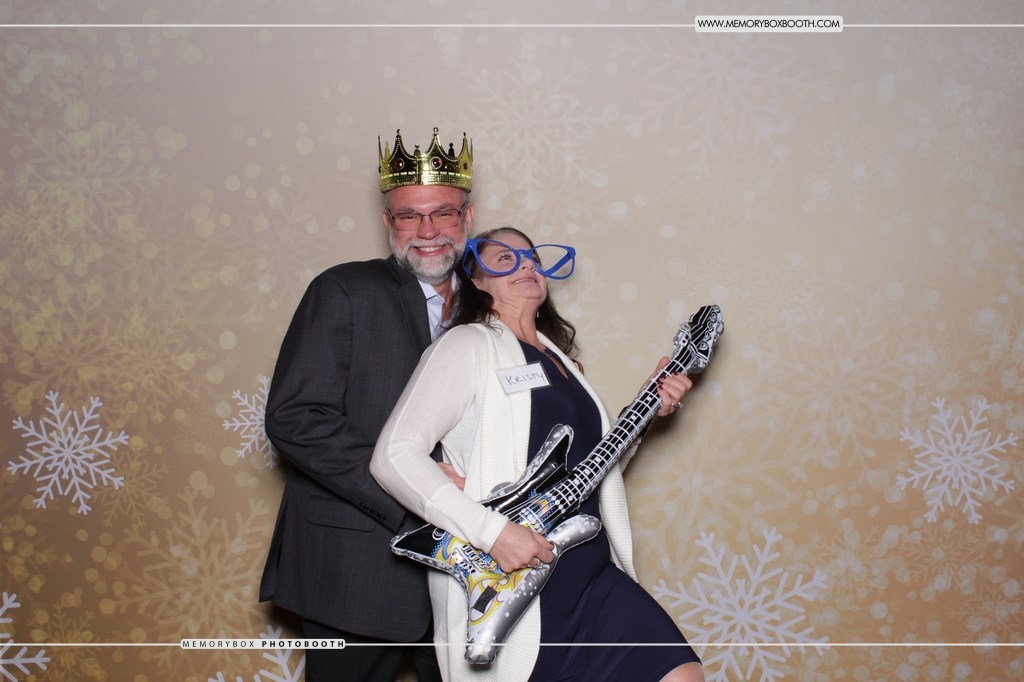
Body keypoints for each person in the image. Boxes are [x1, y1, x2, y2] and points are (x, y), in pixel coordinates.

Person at [370, 226, 705, 681]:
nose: (526, 265)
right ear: (475, 280)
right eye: (504, 259)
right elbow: (394, 455)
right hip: (517, 579)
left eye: (531, 258)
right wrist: (493, 533)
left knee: (682, 674)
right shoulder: (466, 345)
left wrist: (649, 410)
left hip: (591, 571)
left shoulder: (561, 361)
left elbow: (595, 468)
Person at [259, 128, 475, 681]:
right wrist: (416, 488)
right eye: (409, 216)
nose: (427, 231)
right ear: (387, 222)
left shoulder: (488, 305)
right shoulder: (344, 290)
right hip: (356, 568)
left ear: (467, 218)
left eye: (443, 213)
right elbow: (295, 418)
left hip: (467, 573)